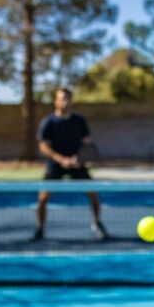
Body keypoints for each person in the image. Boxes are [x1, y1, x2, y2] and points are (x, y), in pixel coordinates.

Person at [33, 87, 108, 241]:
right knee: (42, 198)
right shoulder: (48, 122)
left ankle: (97, 223)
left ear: (71, 101)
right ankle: (40, 229)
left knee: (93, 194)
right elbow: (44, 147)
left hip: (77, 165)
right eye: (61, 98)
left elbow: (87, 143)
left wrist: (79, 158)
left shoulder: (79, 121)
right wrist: (62, 160)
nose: (64, 101)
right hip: (55, 166)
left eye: (67, 98)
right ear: (56, 101)